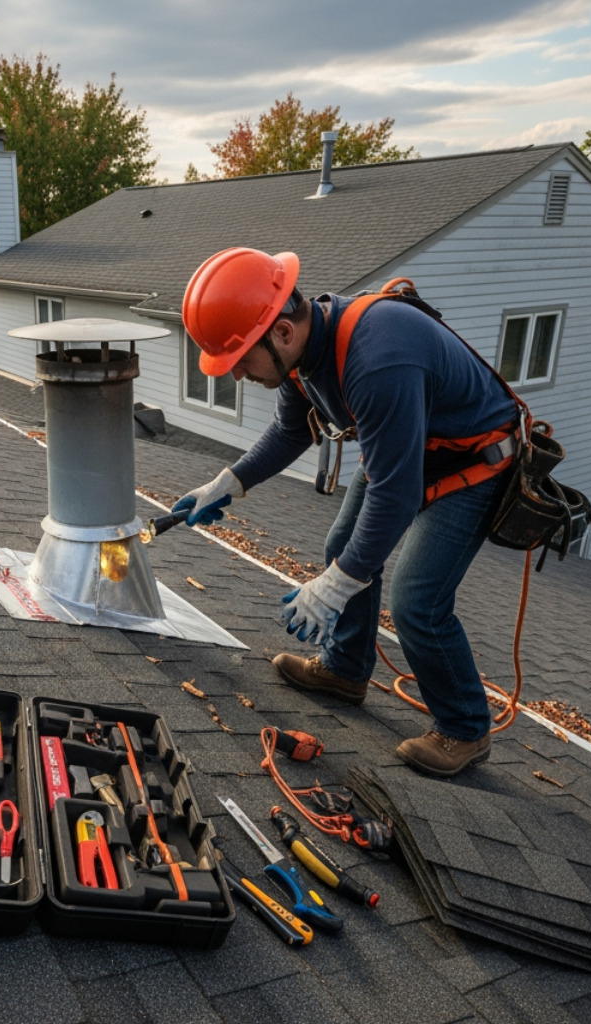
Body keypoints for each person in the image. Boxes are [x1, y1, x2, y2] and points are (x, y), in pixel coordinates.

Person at [172, 247, 519, 777]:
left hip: (474, 460)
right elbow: (292, 430)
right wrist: (228, 482)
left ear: (281, 332)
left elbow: (395, 495)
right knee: (344, 548)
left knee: (417, 601)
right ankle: (346, 670)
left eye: (240, 359)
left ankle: (465, 729)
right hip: (410, 447)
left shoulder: (379, 356)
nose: (238, 375)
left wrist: (335, 587)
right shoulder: (300, 355)